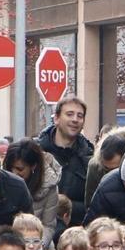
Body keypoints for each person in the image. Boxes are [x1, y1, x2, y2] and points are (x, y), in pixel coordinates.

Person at [38, 96, 93, 226]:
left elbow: (93, 204)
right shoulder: (37, 153)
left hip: (76, 232)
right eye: (69, 114)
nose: (75, 119)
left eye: (80, 116)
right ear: (56, 118)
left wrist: (68, 207)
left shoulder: (90, 158)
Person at [3, 138, 59, 237]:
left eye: (20, 169)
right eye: (9, 168)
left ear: (33, 166)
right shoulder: (0, 181)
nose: (14, 173)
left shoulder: (49, 186)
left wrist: (36, 245)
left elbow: (48, 226)